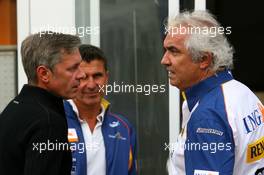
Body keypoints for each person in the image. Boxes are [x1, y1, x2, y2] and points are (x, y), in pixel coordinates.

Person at [161, 11, 264, 175]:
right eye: (165, 50)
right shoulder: (241, 91)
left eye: (174, 51)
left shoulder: (208, 116)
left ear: (204, 59)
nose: (164, 60)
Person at [0, 32, 85, 175]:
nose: (82, 74)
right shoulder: (48, 122)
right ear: (44, 74)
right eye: (72, 68)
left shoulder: (15, 107)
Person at [64, 44, 137, 175]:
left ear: (106, 78)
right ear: (73, 79)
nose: (91, 85)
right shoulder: (55, 123)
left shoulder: (124, 128)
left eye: (97, 76)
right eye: (84, 77)